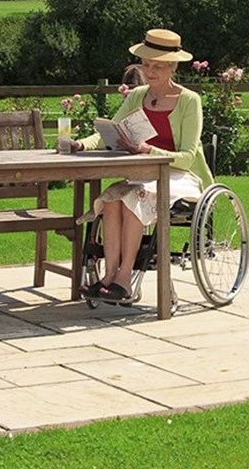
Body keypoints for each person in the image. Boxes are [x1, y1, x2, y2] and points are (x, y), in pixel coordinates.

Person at [69, 28, 214, 301]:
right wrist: (81, 144)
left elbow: (187, 156)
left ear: (172, 67)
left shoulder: (189, 101)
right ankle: (109, 275)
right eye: (146, 64)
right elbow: (109, 131)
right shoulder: (138, 96)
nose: (150, 71)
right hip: (144, 174)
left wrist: (147, 149)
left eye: (158, 65)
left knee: (134, 197)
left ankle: (124, 279)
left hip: (179, 176)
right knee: (112, 199)